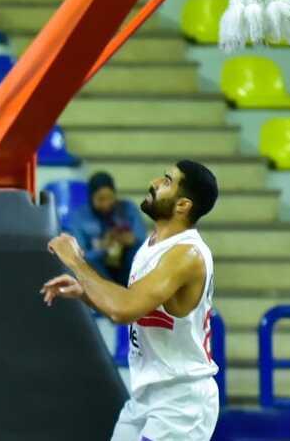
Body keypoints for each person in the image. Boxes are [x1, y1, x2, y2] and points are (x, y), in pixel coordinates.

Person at [42, 160, 220, 441]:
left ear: (183, 205)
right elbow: (135, 306)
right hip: (146, 397)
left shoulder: (186, 254)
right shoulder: (152, 244)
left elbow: (122, 310)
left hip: (181, 401)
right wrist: (85, 293)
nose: (154, 182)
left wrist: (76, 261)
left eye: (166, 181)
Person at [67, 171, 148, 286]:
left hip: (126, 266)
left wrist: (131, 240)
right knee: (88, 263)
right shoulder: (79, 217)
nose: (106, 204)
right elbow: (79, 255)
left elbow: (144, 242)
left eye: (110, 198)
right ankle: (111, 293)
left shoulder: (128, 209)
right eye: (100, 199)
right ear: (91, 198)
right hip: (99, 270)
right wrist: (103, 247)